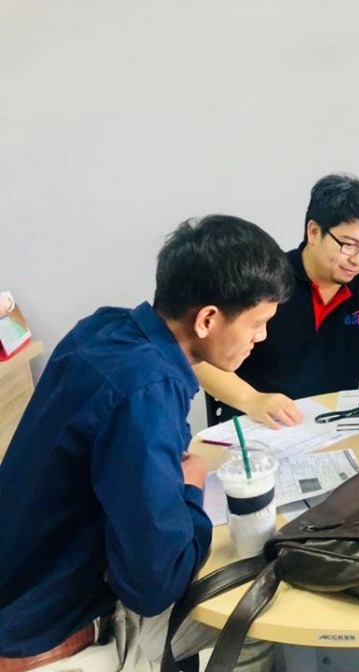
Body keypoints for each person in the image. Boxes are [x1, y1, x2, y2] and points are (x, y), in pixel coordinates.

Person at [0, 215, 294, 671]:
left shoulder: (104, 329)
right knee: (253, 630)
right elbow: (154, 586)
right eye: (258, 323)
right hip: (50, 632)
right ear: (208, 319)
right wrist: (191, 489)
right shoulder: (146, 392)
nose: (262, 337)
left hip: (18, 580)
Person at [195, 173, 359, 435]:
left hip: (332, 426)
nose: (358, 260)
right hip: (260, 425)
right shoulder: (265, 279)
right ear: (314, 232)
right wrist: (251, 399)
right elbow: (200, 357)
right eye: (349, 245)